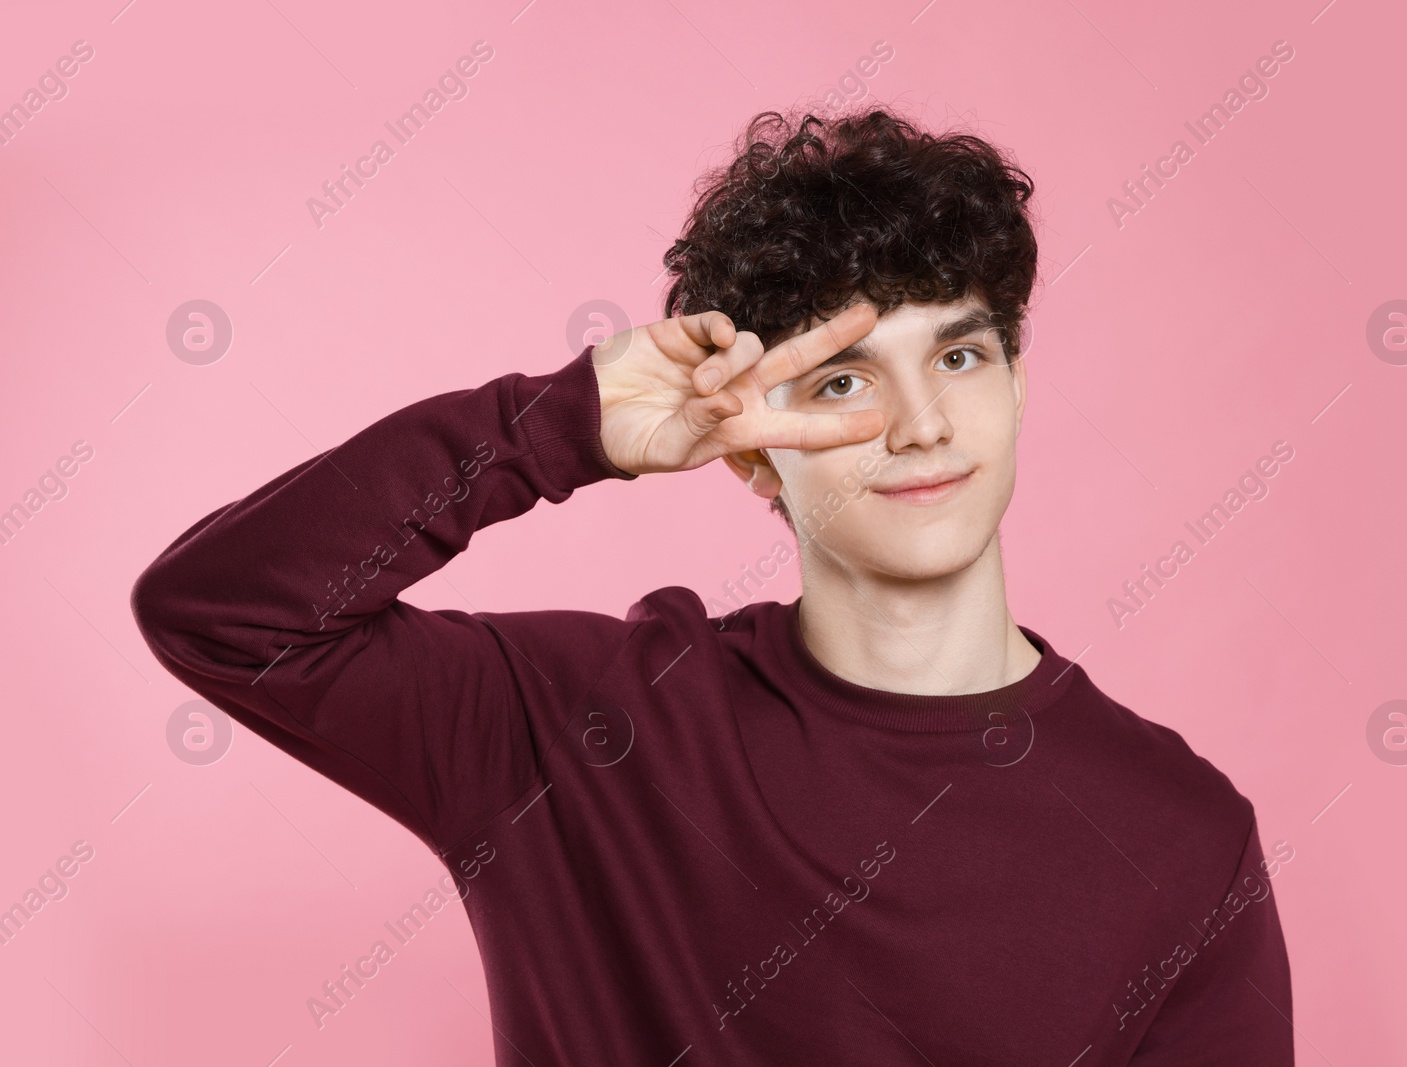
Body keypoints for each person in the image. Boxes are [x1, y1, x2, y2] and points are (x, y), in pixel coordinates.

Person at [131, 106, 1293, 1064]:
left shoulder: (1181, 835)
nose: (926, 424)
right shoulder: (574, 729)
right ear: (746, 452)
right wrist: (563, 424)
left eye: (959, 353)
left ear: (1015, 381)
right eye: (843, 381)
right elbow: (224, 612)